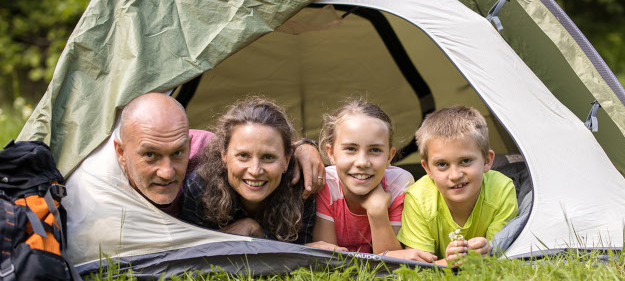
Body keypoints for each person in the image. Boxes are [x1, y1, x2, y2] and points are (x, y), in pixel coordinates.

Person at [110, 92, 326, 216]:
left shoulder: (206, 150)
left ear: (188, 144)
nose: (166, 173)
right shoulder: (99, 186)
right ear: (121, 152)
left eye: (177, 153)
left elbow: (254, 146)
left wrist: (304, 147)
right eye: (150, 155)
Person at [180, 97, 323, 245]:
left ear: (286, 160)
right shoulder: (200, 186)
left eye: (268, 157)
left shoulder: (302, 187)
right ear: (224, 155)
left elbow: (304, 251)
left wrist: (256, 231)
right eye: (243, 156)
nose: (255, 170)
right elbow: (191, 251)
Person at [312, 99, 437, 262]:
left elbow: (391, 262)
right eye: (351, 149)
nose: (362, 162)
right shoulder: (327, 183)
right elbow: (328, 258)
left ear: (389, 157)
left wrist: (377, 212)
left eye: (375, 150)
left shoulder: (398, 183)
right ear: (330, 153)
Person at [396, 106, 518, 266]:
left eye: (465, 161)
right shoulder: (418, 199)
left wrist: (487, 250)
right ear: (427, 169)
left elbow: (502, 250)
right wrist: (447, 263)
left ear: (487, 160)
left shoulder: (502, 190)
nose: (455, 175)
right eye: (442, 164)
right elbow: (419, 267)